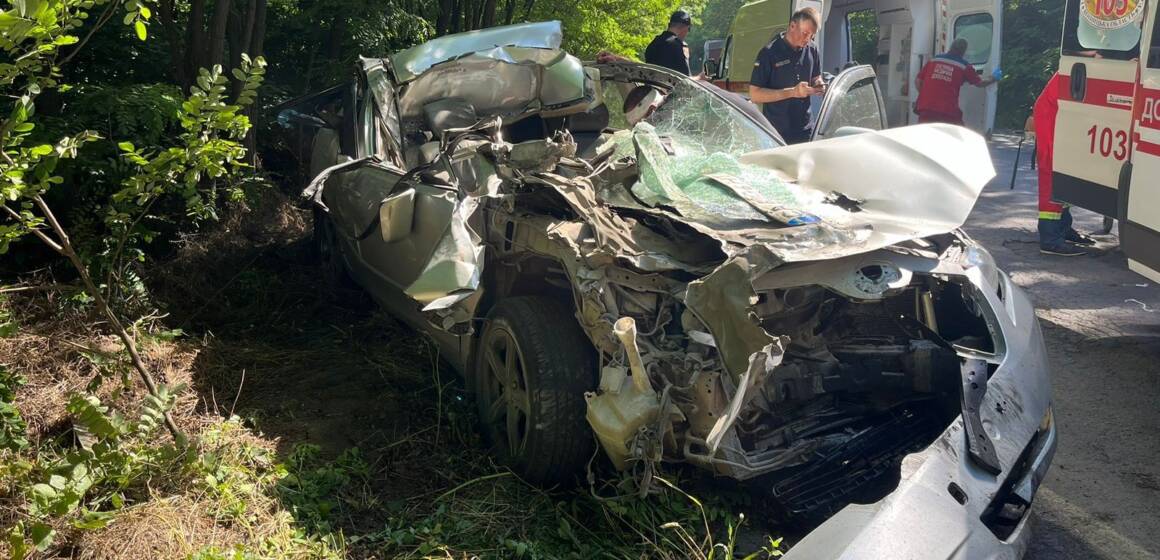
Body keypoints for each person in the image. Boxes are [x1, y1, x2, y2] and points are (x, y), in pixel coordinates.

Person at [1033, 73, 1096, 256]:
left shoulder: (1084, 63)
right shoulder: (1081, 63)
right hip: (1051, 118)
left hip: (1058, 117)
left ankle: (1062, 228)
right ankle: (1050, 239)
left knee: (1063, 176)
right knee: (1052, 177)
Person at [748, 7, 825, 144]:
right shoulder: (769, 53)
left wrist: (819, 84)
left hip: (805, 130)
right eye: (805, 33)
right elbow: (755, 95)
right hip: (775, 132)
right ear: (792, 26)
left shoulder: (812, 50)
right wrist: (792, 92)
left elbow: (816, 76)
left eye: (812, 35)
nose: (808, 39)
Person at [913, 38, 1000, 125]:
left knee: (925, 134)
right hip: (947, 110)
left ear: (951, 47)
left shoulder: (934, 60)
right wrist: (993, 78)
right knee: (958, 133)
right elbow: (980, 83)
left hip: (926, 107)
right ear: (963, 51)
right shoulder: (964, 66)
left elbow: (918, 81)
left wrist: (925, 95)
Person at [645, 11, 693, 76]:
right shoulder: (677, 46)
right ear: (684, 27)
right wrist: (700, 77)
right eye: (689, 29)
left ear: (669, 25)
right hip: (668, 85)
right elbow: (687, 80)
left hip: (649, 85)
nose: (687, 33)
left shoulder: (654, 43)